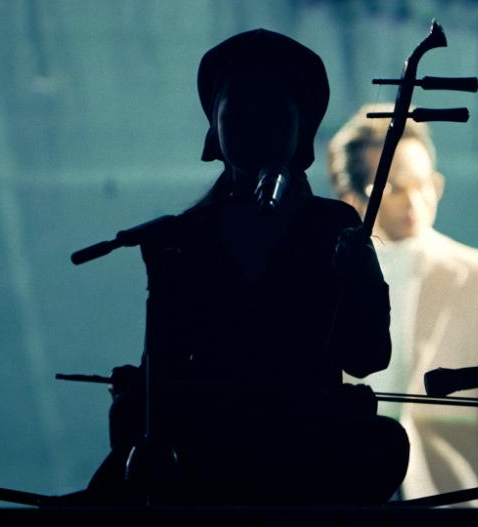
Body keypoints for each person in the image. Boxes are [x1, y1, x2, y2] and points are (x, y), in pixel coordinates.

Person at [85, 29, 409, 506]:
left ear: (301, 131)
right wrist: (141, 393)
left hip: (307, 443)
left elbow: (367, 357)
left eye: (274, 115)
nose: (256, 129)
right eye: (238, 114)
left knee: (380, 443)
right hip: (209, 445)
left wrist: (360, 280)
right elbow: (164, 366)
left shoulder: (333, 226)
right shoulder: (181, 236)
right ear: (214, 129)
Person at [326, 104, 478, 506]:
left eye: (424, 184)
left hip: (452, 500)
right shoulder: (330, 279)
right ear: (350, 196)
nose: (414, 201)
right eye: (394, 188)